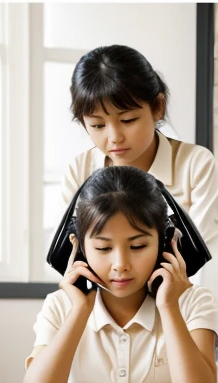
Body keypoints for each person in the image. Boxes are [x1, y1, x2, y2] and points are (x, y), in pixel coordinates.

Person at [24, 165, 218, 383]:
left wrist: (169, 307)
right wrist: (80, 311)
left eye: (138, 245)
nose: (120, 264)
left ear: (167, 243)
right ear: (79, 248)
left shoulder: (193, 303)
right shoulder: (60, 306)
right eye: (102, 248)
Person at [62, 44, 218, 294]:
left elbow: (196, 253)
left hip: (180, 302)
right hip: (103, 306)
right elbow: (71, 253)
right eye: (98, 125)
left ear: (158, 107)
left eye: (127, 120)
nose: (114, 137)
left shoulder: (195, 164)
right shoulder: (80, 169)